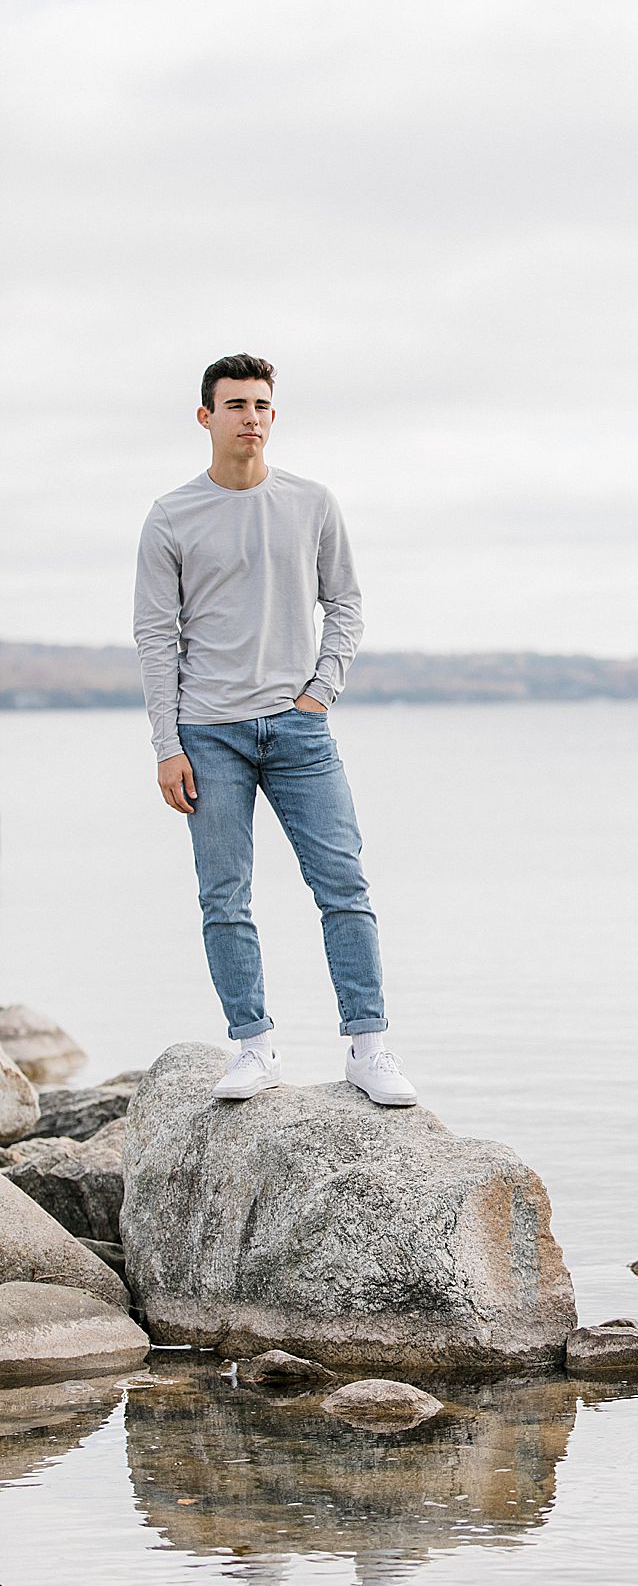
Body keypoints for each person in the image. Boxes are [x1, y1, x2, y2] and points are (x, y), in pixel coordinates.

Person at [131, 352, 417, 1106]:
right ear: (206, 417)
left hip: (300, 733)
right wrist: (168, 745)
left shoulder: (312, 503)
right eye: (235, 405)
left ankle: (368, 1044)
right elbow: (156, 638)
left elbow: (346, 604)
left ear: (272, 416)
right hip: (209, 734)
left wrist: (321, 693)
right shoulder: (171, 516)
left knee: (345, 886)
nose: (250, 417)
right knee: (224, 897)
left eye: (261, 405)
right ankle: (253, 1046)